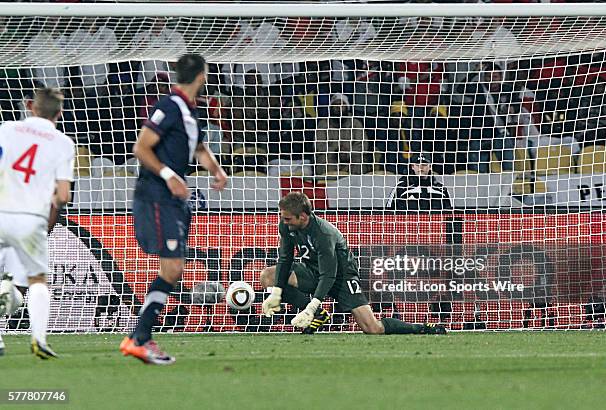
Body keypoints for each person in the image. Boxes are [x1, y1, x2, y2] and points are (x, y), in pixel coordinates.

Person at [119, 54, 228, 365]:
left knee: (174, 268)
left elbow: (198, 148)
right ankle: (139, 339)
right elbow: (141, 147)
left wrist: (217, 171)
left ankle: (139, 338)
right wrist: (169, 175)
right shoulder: (169, 106)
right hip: (156, 195)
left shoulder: (192, 112)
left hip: (172, 199)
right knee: (172, 268)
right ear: (202, 76)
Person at [259, 192, 446, 335]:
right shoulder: (287, 225)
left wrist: (311, 306)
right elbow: (285, 259)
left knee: (372, 328)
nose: (283, 221)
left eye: (288, 218)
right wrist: (276, 292)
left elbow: (329, 275)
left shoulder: (324, 234)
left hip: (342, 277)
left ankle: (421, 328)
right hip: (311, 271)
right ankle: (319, 316)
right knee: (269, 276)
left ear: (303, 216)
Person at [0, 88, 75, 359]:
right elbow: (64, 195)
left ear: (31, 107)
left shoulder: (7, 129)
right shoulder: (64, 143)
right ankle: (39, 340)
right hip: (31, 219)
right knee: (37, 281)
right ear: (59, 113)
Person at [386, 154, 452, 211]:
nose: (421, 167)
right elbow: (388, 213)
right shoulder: (400, 187)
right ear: (412, 166)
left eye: (424, 164)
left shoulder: (441, 189)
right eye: (417, 164)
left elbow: (450, 214)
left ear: (430, 167)